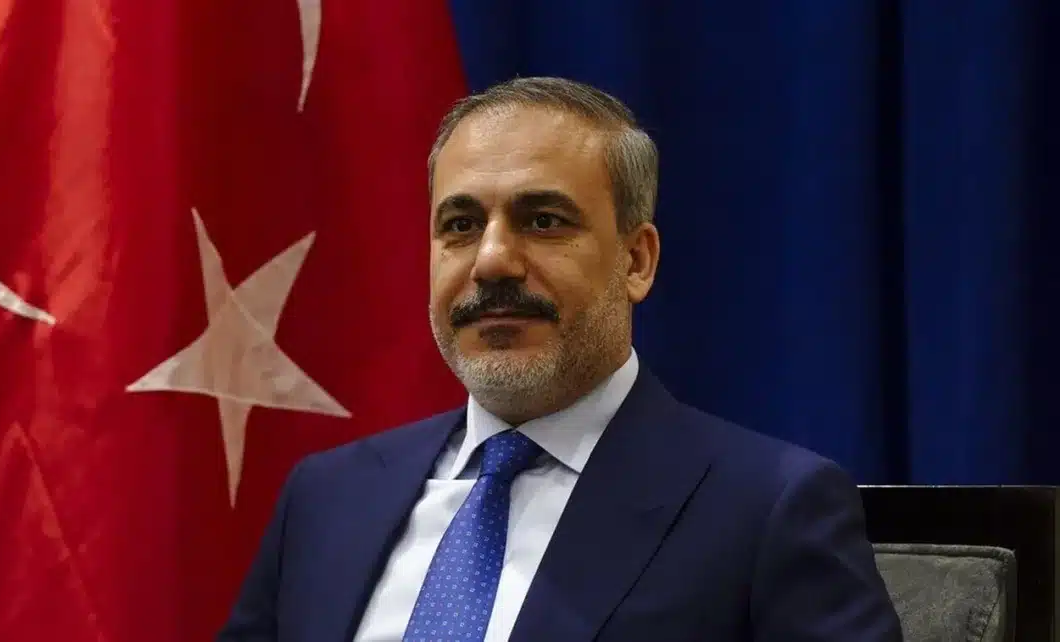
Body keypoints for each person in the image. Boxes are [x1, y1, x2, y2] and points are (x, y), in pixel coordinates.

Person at [218, 77, 903, 641]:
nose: (492, 261)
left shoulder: (768, 509)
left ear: (636, 261)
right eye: (460, 226)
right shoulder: (325, 499)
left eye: (542, 220)